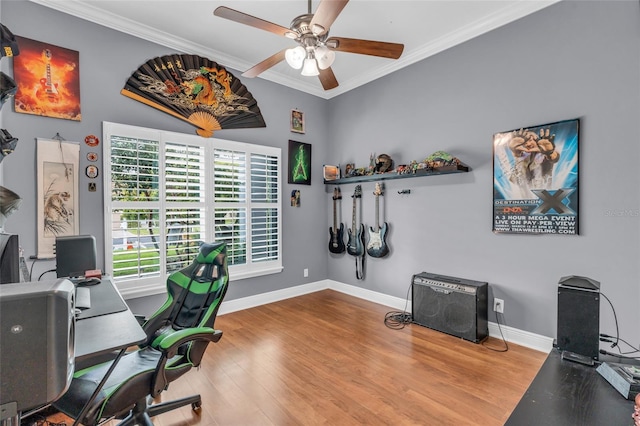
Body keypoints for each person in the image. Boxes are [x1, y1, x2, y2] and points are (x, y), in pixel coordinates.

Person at [507, 128, 559, 198]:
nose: (528, 144)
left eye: (531, 140)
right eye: (525, 142)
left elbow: (554, 158)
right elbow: (515, 180)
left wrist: (550, 152)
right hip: (523, 200)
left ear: (537, 139)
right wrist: (514, 150)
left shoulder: (543, 153)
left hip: (544, 198)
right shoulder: (523, 156)